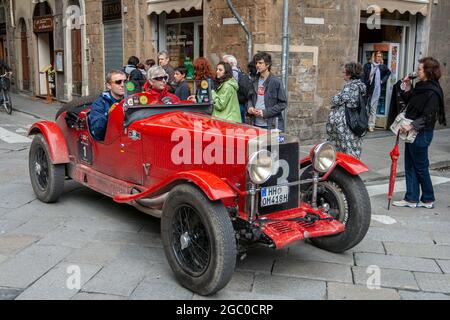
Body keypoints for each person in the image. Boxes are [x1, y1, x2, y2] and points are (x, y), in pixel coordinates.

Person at [392, 57, 446, 209]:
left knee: (421, 167)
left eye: (420, 69)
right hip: (413, 132)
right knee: (410, 165)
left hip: (421, 133)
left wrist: (411, 126)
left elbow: (429, 115)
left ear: (428, 71)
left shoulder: (433, 91)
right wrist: (408, 87)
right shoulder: (421, 86)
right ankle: (411, 198)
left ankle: (428, 198)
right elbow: (411, 103)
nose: (417, 71)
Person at [326, 62, 367, 159]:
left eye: (344, 73)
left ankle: (349, 171)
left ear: (350, 74)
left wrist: (334, 98)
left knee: (348, 149)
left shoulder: (351, 87)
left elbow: (336, 100)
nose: (343, 75)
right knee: (353, 147)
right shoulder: (360, 86)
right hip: (353, 123)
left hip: (347, 125)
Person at [247, 52, 287, 131]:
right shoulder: (254, 80)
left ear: (267, 65)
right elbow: (250, 98)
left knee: (270, 144)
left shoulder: (276, 82)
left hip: (271, 125)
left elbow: (283, 104)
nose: (257, 65)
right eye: (256, 63)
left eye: (260, 63)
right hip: (254, 123)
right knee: (255, 144)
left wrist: (265, 112)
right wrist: (250, 107)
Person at [89, 70, 126, 141]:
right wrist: (109, 114)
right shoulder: (99, 104)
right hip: (110, 142)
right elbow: (97, 132)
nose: (123, 85)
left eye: (125, 82)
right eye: (118, 82)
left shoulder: (130, 100)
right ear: (109, 85)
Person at [362, 51, 392, 132]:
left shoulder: (382, 66)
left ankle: (371, 125)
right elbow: (363, 76)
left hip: (376, 90)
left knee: (373, 108)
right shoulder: (367, 66)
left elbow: (388, 72)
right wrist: (363, 85)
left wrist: (383, 80)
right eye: (378, 56)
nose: (379, 58)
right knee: (364, 107)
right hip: (367, 90)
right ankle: (363, 124)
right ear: (374, 57)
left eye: (380, 56)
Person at [223, 54, 252, 123]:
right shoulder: (242, 73)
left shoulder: (229, 75)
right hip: (242, 104)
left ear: (230, 64)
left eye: (224, 63)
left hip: (232, 106)